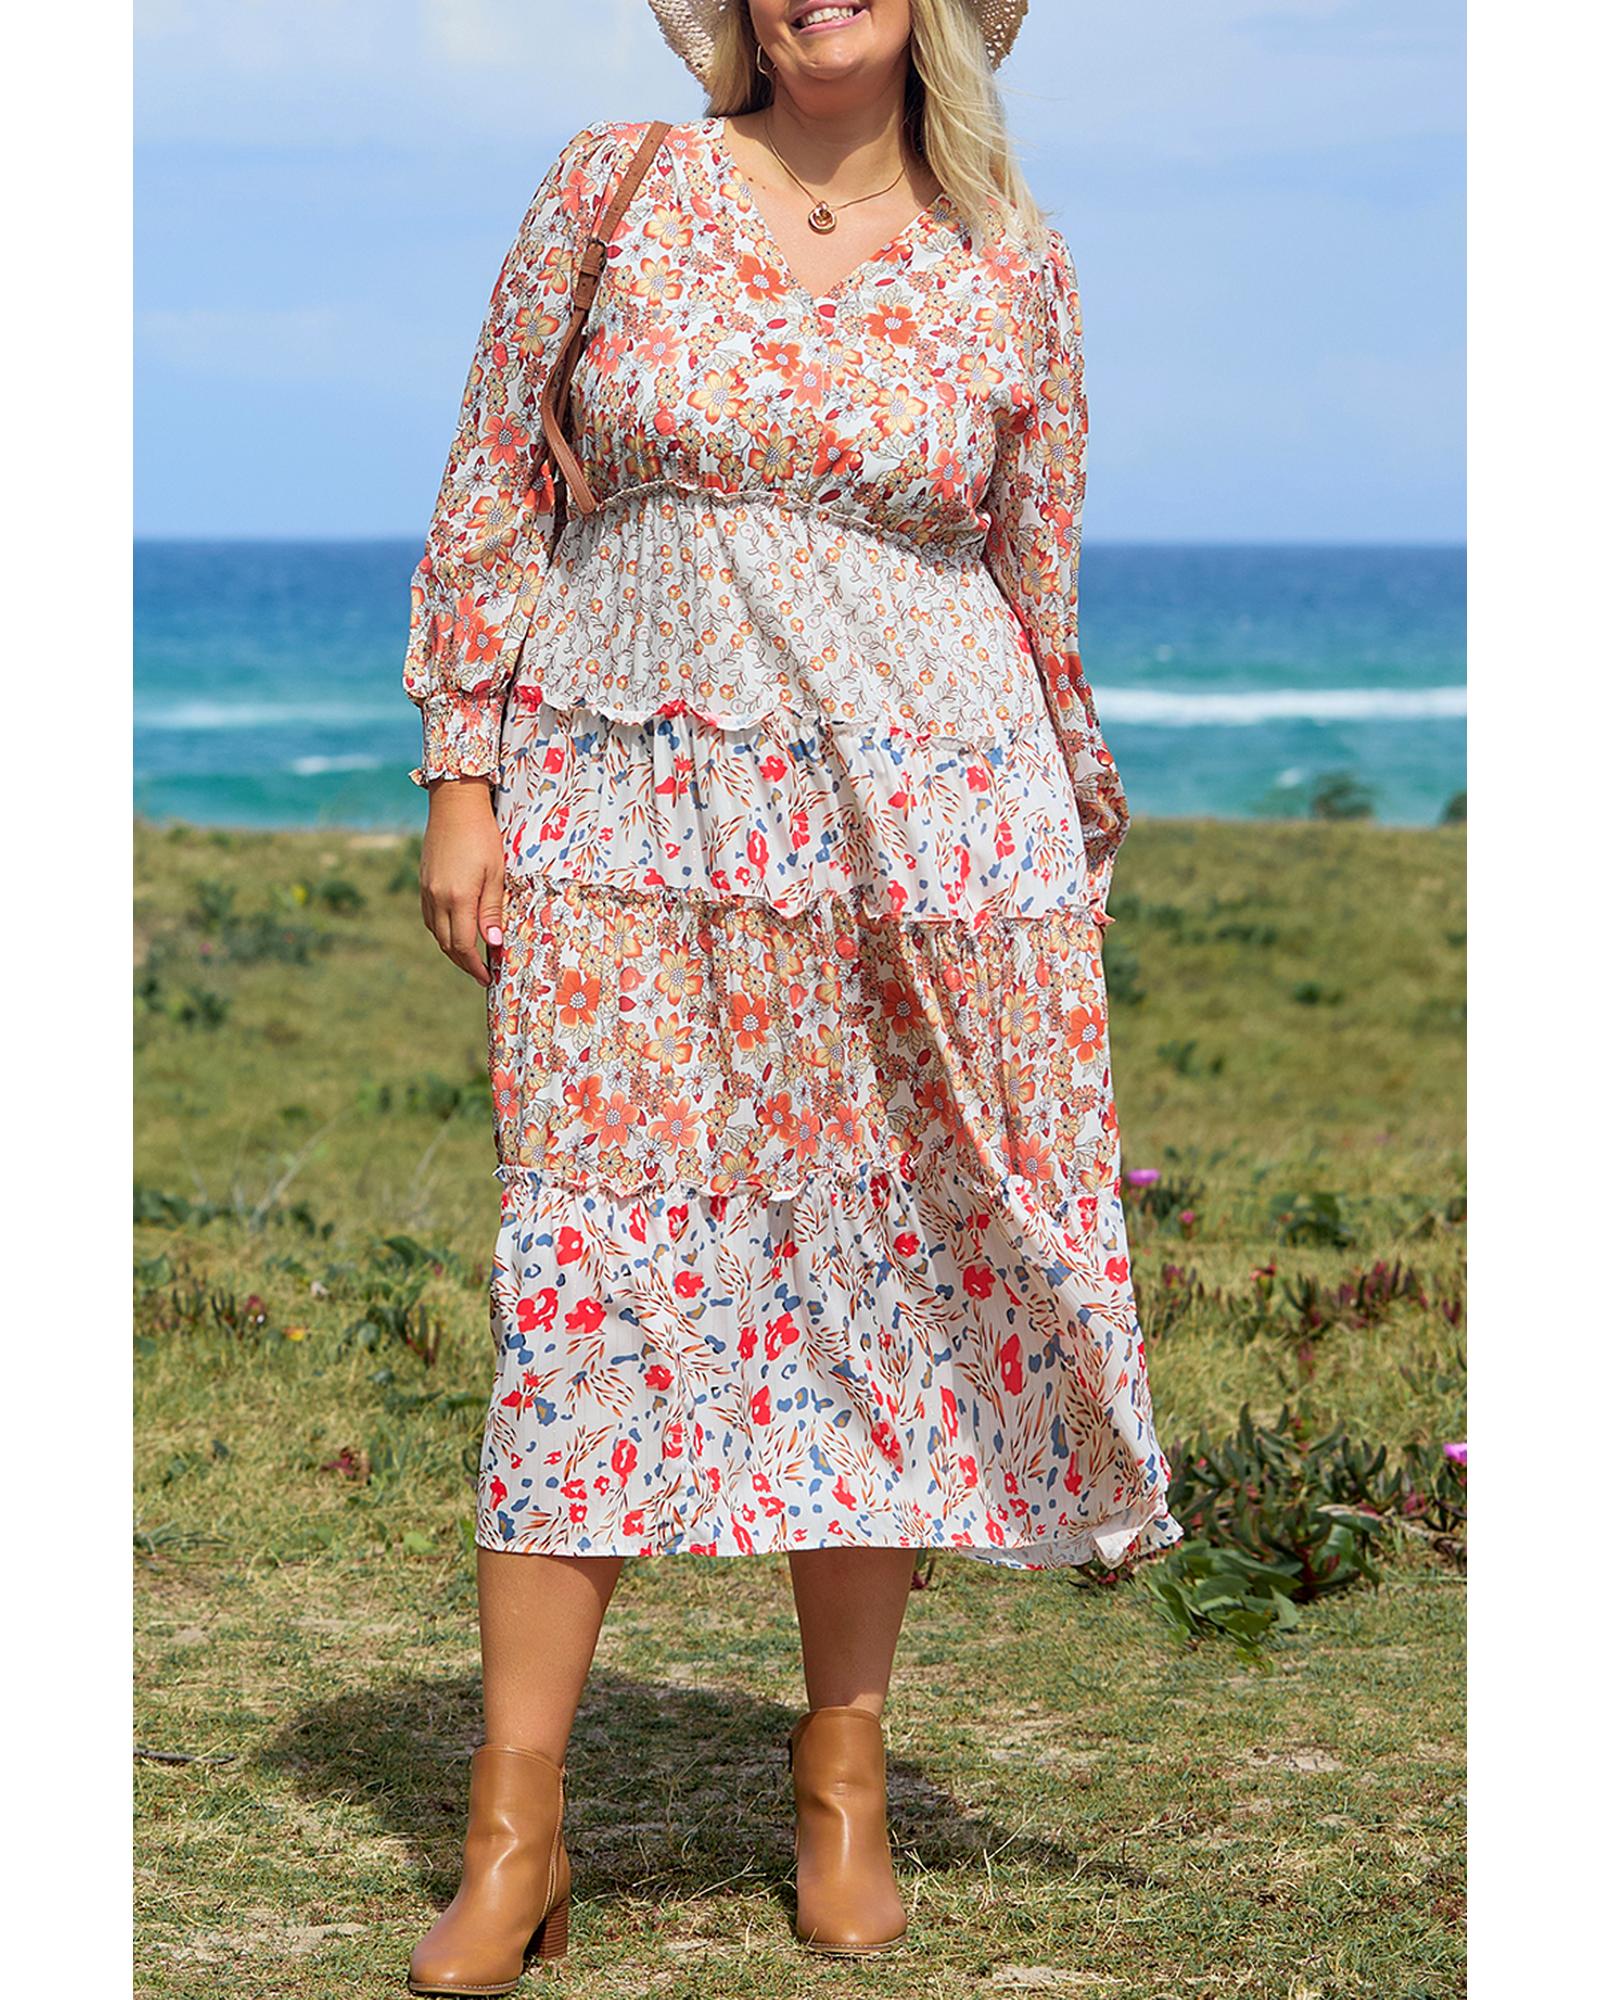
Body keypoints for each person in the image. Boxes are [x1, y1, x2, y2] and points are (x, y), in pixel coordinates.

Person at [400, 1, 1181, 1986]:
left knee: (877, 1275)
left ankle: (842, 1782)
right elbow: (495, 480)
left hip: (932, 834)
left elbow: (1034, 582)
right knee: (585, 1269)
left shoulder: (1013, 257)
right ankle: (515, 1824)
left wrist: (1061, 849)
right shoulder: (614, 186)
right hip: (629, 811)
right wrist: (463, 774)